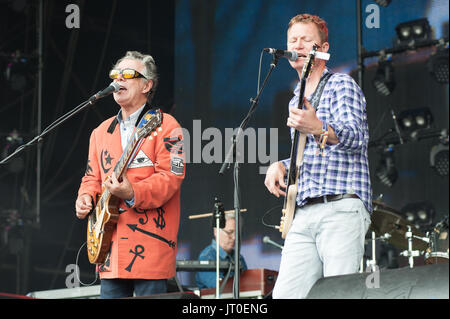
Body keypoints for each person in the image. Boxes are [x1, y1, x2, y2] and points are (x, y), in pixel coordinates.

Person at [264, 14, 372, 299]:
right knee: (284, 295)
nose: (297, 45)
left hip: (340, 208)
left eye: (305, 40)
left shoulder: (340, 85)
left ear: (323, 47)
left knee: (339, 294)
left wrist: (318, 127)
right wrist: (281, 165)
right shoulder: (295, 98)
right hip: (304, 212)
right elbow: (309, 156)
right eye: (292, 40)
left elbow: (358, 138)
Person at [75, 51, 185, 298]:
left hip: (150, 245)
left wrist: (132, 192)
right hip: (109, 249)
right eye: (115, 75)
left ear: (147, 85)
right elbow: (91, 178)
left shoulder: (168, 125)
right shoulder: (100, 132)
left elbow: (172, 177)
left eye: (128, 75)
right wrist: (85, 198)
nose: (118, 80)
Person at [195, 213, 248, 289]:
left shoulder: (239, 258)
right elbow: (220, 286)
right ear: (216, 231)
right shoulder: (207, 257)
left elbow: (248, 284)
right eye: (230, 232)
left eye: (237, 233)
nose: (234, 238)